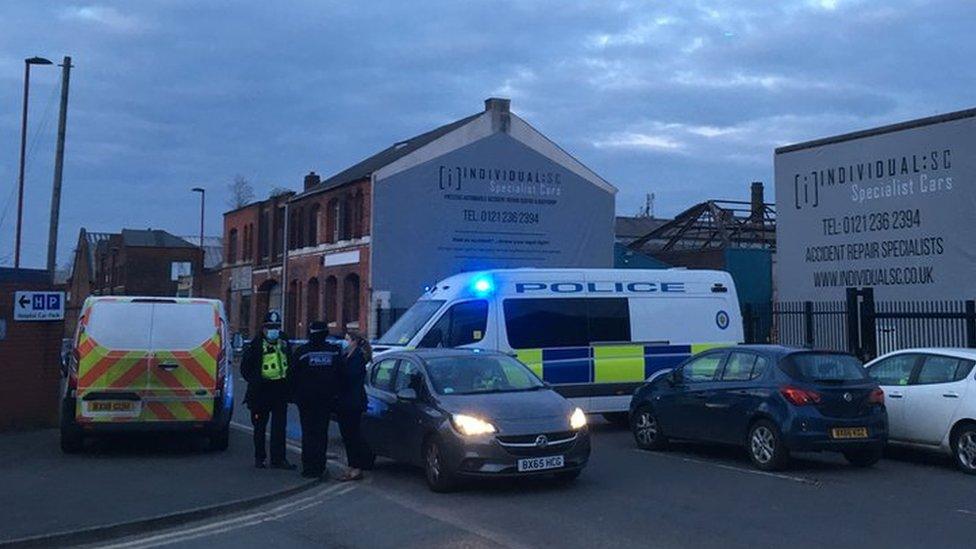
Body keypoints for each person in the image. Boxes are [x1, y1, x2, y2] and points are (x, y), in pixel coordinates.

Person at [241, 310, 295, 470]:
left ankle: (279, 459)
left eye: (277, 327)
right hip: (261, 392)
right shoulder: (256, 344)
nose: (274, 330)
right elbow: (245, 368)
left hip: (280, 390)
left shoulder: (284, 341)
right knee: (259, 427)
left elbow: (290, 362)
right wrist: (256, 381)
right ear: (263, 328)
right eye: (270, 327)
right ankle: (260, 458)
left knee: (279, 428)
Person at [291, 320, 345, 479]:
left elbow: (292, 376)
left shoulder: (302, 352)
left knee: (308, 433)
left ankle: (309, 468)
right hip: (326, 400)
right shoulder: (334, 351)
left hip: (306, 401)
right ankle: (320, 466)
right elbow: (341, 375)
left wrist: (295, 396)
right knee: (321, 433)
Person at [336, 332, 374, 481]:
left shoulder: (357, 358)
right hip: (346, 402)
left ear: (354, 342)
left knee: (352, 436)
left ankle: (356, 468)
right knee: (348, 436)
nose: (344, 343)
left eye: (346, 340)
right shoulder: (348, 357)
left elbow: (349, 378)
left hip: (352, 403)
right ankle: (352, 467)